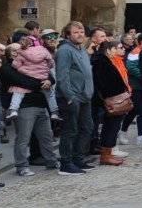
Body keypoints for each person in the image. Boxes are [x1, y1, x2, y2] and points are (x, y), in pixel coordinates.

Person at [0, 45, 59, 177]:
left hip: (42, 105)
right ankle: (21, 166)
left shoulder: (34, 64)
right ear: (10, 54)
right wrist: (43, 83)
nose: (20, 51)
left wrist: (49, 80)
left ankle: (51, 161)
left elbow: (50, 76)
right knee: (23, 138)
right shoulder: (7, 68)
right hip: (24, 107)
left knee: (46, 136)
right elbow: (24, 82)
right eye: (16, 50)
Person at [55, 22, 95, 175]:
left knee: (86, 127)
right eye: (76, 32)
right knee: (70, 130)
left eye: (81, 31)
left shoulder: (82, 49)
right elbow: (62, 76)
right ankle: (66, 163)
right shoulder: (65, 50)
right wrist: (69, 96)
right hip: (71, 97)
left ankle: (78, 159)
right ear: (68, 34)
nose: (80, 34)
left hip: (85, 97)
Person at [91, 40, 129, 166]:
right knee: (110, 127)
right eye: (114, 49)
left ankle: (108, 153)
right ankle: (106, 155)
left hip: (109, 99)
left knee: (111, 127)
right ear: (108, 50)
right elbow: (106, 82)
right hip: (111, 100)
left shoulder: (101, 61)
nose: (116, 52)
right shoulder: (102, 62)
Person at [5, 37, 59, 120]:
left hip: (29, 75)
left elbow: (16, 65)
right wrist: (45, 70)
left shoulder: (22, 53)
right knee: (50, 95)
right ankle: (54, 112)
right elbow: (51, 63)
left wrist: (21, 68)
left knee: (18, 93)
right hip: (42, 77)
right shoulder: (44, 51)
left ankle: (13, 110)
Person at [121, 32, 142, 146]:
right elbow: (132, 68)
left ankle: (141, 135)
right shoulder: (135, 52)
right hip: (136, 86)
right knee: (134, 110)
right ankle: (123, 130)